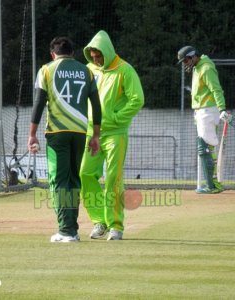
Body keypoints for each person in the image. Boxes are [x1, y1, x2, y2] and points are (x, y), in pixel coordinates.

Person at [28, 37, 101, 242]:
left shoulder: (47, 70)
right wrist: (96, 135)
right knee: (73, 180)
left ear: (53, 54)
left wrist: (32, 134)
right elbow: (96, 105)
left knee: (59, 181)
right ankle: (72, 229)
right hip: (80, 133)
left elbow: (39, 103)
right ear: (73, 54)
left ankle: (66, 231)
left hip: (57, 134)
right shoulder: (87, 71)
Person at [80, 30, 144, 241]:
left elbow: (137, 99)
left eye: (99, 56)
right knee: (85, 174)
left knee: (113, 179)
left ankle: (116, 226)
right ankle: (100, 221)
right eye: (93, 56)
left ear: (107, 52)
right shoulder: (89, 69)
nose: (96, 60)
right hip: (91, 133)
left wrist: (117, 118)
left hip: (116, 134)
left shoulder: (125, 70)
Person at [177, 45, 232, 194]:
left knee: (205, 148)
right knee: (208, 148)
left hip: (208, 111)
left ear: (193, 56)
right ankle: (214, 183)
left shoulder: (206, 68)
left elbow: (216, 89)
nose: (185, 64)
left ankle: (212, 186)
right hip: (203, 111)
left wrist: (222, 108)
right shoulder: (198, 68)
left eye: (186, 60)